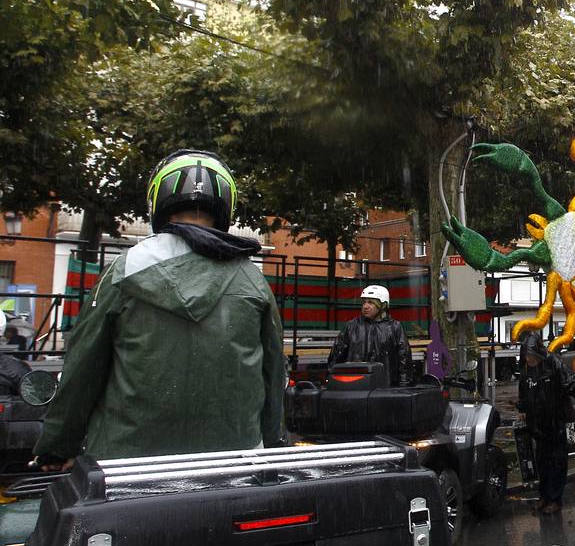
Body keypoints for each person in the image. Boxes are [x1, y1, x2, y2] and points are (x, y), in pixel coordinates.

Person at [32, 150, 285, 469]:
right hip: (234, 464)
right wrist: (273, 443)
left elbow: (83, 366)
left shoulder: (125, 270)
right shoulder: (252, 278)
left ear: (159, 201)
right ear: (226, 205)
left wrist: (58, 446)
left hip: (127, 465)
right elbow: (273, 374)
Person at [516, 331, 575, 514]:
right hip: (538, 424)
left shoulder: (554, 364)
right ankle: (544, 496)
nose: (529, 360)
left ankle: (555, 499)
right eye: (527, 356)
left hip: (558, 421)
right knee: (542, 462)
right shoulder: (526, 370)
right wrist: (523, 410)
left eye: (532, 356)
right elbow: (524, 393)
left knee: (558, 462)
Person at [328, 284, 417, 386]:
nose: (365, 306)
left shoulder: (395, 328)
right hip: (356, 387)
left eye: (370, 303)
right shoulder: (352, 327)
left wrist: (403, 387)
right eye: (364, 302)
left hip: (386, 388)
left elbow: (404, 361)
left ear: (382, 305)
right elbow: (336, 357)